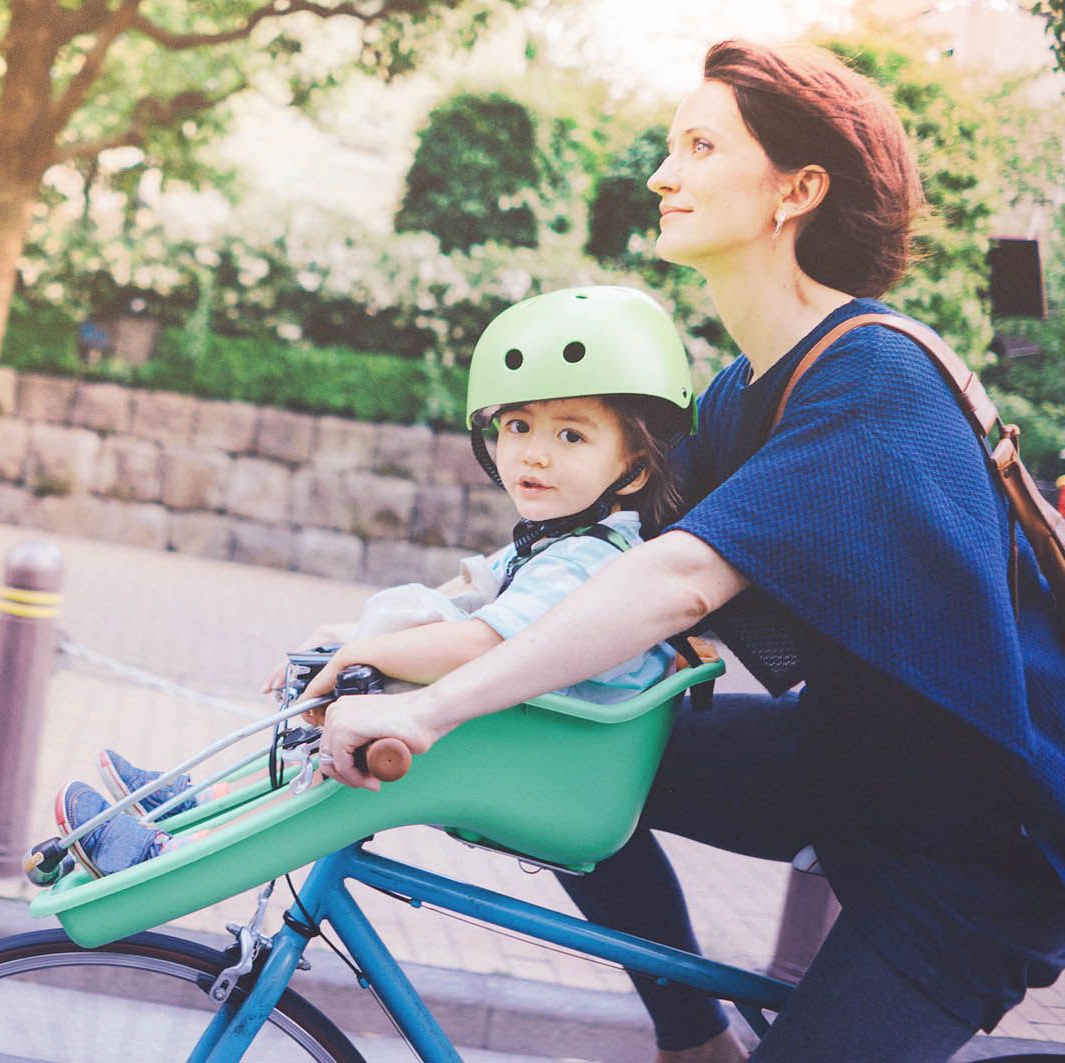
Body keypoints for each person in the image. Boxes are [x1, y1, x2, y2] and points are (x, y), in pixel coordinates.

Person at [313, 39, 1065, 1063]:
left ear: (796, 190)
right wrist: (394, 636)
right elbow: (590, 575)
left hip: (971, 856)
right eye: (671, 146)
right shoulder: (743, 392)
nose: (664, 175)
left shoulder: (872, 379)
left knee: (487, 723)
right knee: (540, 745)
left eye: (700, 146)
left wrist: (432, 706)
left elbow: (671, 584)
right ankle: (693, 1038)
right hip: (846, 767)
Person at [55, 285, 697, 879]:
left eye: (571, 435)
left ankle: (172, 855)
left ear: (634, 470)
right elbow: (467, 593)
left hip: (554, 764)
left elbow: (486, 642)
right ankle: (198, 803)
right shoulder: (564, 540)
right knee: (339, 707)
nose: (533, 453)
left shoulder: (589, 560)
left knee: (346, 750)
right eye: (519, 426)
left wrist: (367, 652)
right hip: (529, 737)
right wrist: (349, 634)